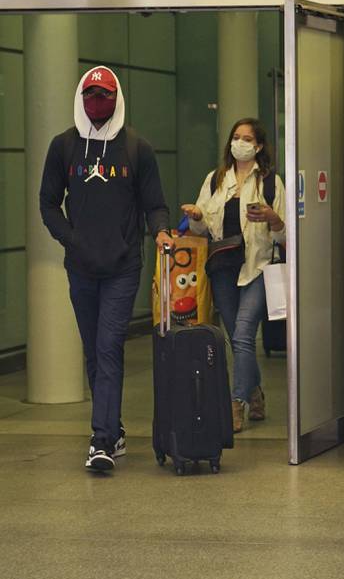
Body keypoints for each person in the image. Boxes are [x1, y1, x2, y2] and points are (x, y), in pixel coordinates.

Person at [39, 66, 173, 471]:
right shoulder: (63, 147)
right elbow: (47, 202)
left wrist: (162, 232)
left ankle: (100, 441)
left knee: (108, 347)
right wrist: (71, 237)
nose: (98, 102)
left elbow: (154, 204)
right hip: (80, 267)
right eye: (92, 94)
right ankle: (112, 429)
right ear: (81, 97)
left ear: (117, 99)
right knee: (94, 355)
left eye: (106, 95)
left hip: (122, 266)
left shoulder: (136, 148)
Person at [181, 118, 286, 433]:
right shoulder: (215, 180)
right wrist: (197, 216)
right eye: (235, 137)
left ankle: (236, 403)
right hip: (223, 267)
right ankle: (255, 393)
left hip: (257, 266)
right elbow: (201, 228)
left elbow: (284, 235)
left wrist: (273, 218)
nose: (239, 143)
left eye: (247, 138)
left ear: (258, 146)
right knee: (234, 338)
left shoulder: (270, 182)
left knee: (242, 335)